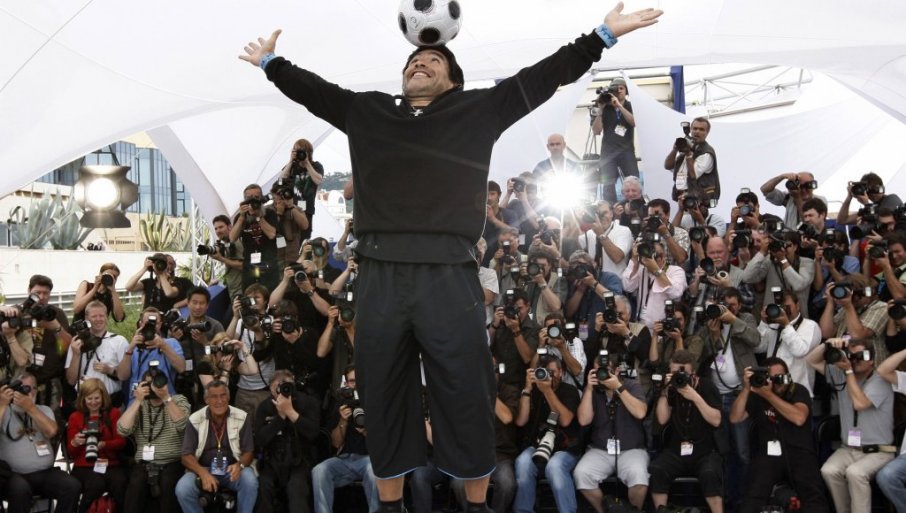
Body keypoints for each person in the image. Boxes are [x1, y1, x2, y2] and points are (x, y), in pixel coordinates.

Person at [240, 7, 663, 512]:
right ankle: (391, 506)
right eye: (414, 60)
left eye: (434, 60)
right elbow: (315, 91)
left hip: (449, 273)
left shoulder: (476, 109)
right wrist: (271, 63)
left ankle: (476, 505)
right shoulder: (369, 110)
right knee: (383, 393)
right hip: (380, 273)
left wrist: (601, 36)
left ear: (454, 80)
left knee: (465, 390)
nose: (420, 62)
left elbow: (541, 78)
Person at [728, 359, 829, 513]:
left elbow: (799, 418)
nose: (776, 382)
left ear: (788, 376)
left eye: (779, 377)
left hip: (799, 452)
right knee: (752, 496)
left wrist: (768, 395)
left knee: (813, 497)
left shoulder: (798, 390)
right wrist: (747, 388)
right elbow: (735, 417)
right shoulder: (758, 392)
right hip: (768, 454)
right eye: (771, 378)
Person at [807, 337, 894, 513]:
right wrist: (829, 344)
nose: (855, 360)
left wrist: (848, 371)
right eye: (851, 356)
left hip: (879, 451)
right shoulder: (841, 374)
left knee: (855, 473)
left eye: (861, 356)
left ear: (872, 360)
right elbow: (811, 360)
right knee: (829, 470)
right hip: (848, 449)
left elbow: (860, 403)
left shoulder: (880, 380)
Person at [648, 350, 724, 513]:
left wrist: (695, 397)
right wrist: (665, 391)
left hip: (704, 451)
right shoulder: (670, 389)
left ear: (693, 373)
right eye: (674, 373)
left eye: (683, 373)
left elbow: (716, 420)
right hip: (676, 450)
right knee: (657, 469)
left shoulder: (707, 386)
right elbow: (662, 419)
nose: (679, 377)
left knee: (710, 473)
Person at [573, 352, 649, 512]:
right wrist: (588, 389)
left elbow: (640, 413)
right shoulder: (593, 390)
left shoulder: (631, 385)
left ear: (616, 371)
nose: (601, 375)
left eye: (605, 371)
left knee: (639, 478)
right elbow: (583, 420)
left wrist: (618, 387)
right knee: (581, 474)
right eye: (597, 371)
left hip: (631, 449)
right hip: (600, 449)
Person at [0, 372, 81, 513]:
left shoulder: (44, 410)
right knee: (20, 490)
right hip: (15, 474)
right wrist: (2, 404)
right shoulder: (5, 410)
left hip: (45, 472)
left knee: (72, 486)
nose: (30, 392)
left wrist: (30, 408)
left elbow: (51, 431)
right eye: (25, 388)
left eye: (34, 388)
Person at [176, 380, 258, 513]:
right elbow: (186, 456)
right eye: (214, 397)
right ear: (206, 400)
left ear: (229, 397)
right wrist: (202, 473)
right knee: (182, 489)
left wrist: (240, 465)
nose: (219, 401)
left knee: (250, 480)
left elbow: (249, 451)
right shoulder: (195, 419)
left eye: (223, 395)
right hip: (203, 469)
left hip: (231, 470)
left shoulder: (242, 417)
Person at [513, 356, 582, 513]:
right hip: (538, 445)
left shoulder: (569, 390)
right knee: (522, 463)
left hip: (565, 447)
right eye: (543, 372)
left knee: (555, 466)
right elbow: (521, 421)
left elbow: (565, 421)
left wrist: (548, 391)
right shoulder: (535, 390)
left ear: (561, 372)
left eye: (552, 372)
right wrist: (527, 390)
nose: (548, 376)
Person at [117, 369, 191, 513]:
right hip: (144, 463)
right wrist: (137, 401)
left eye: (156, 383)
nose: (153, 388)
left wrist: (166, 398)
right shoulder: (139, 405)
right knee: (136, 485)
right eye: (148, 384)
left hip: (171, 461)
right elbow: (122, 430)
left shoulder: (178, 400)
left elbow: (183, 425)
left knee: (168, 484)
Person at [312, 366, 380, 513]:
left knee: (373, 471)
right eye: (352, 381)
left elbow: (384, 444)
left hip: (369, 459)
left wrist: (366, 431)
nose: (356, 384)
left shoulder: (376, 402)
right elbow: (336, 443)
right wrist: (343, 421)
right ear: (347, 383)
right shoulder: (341, 404)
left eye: (359, 380)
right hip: (345, 459)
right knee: (319, 470)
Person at [254, 370, 321, 513]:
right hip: (272, 461)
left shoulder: (307, 402)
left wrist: (290, 412)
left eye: (286, 385)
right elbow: (260, 439)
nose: (282, 390)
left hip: (300, 460)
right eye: (278, 386)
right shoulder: (265, 407)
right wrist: (280, 418)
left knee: (296, 487)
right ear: (271, 388)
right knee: (263, 485)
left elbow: (313, 433)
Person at [67, 378, 128, 513]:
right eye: (89, 398)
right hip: (84, 466)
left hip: (110, 463)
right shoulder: (75, 417)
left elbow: (121, 442)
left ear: (103, 397)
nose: (93, 402)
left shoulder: (113, 413)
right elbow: (71, 452)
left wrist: (105, 444)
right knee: (96, 484)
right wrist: (75, 442)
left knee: (120, 482)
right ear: (83, 399)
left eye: (97, 398)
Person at [755, 290, 822, 396]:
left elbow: (800, 351)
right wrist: (763, 323)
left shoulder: (810, 326)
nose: (784, 311)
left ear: (798, 305)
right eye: (780, 307)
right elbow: (758, 348)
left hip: (798, 390)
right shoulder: (774, 326)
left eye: (787, 307)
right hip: (772, 388)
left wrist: (786, 325)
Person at [116, 307, 186, 406]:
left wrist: (163, 345)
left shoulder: (171, 343)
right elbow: (122, 376)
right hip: (137, 403)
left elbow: (181, 368)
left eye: (154, 323)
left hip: (164, 402)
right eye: (147, 323)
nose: (151, 326)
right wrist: (130, 349)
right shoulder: (132, 347)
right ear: (140, 324)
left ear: (160, 325)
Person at [64, 300, 129, 401]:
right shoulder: (76, 343)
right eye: (94, 316)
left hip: (111, 399)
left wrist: (110, 370)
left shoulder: (119, 341)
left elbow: (125, 376)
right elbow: (71, 380)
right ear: (86, 319)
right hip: (84, 401)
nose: (98, 319)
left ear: (107, 317)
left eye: (101, 316)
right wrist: (76, 354)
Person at [621, 239, 687, 331]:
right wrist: (634, 261)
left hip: (663, 328)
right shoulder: (641, 269)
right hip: (640, 326)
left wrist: (656, 270)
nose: (650, 259)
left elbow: (676, 293)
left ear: (663, 256)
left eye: (655, 256)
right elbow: (627, 287)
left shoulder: (675, 271)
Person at [592, 77, 638, 203]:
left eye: (621, 88)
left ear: (626, 91)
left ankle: (633, 208)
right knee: (608, 186)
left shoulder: (630, 106)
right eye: (616, 89)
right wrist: (600, 110)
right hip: (608, 153)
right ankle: (611, 210)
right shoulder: (605, 107)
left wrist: (619, 106)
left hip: (626, 151)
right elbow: (596, 131)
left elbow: (634, 122)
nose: (619, 91)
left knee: (633, 182)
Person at [231, 183, 281, 291]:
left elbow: (272, 234)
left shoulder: (269, 213)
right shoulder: (240, 217)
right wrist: (241, 217)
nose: (253, 201)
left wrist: (259, 216)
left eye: (256, 197)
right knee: (250, 293)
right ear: (244, 201)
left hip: (268, 262)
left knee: (269, 293)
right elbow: (232, 238)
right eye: (249, 198)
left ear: (261, 199)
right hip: (249, 264)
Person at [490, 289, 541, 389]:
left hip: (519, 385)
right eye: (512, 308)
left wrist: (515, 330)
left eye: (519, 308)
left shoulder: (535, 329)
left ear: (528, 306)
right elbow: (485, 347)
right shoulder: (499, 324)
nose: (515, 312)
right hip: (496, 382)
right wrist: (493, 326)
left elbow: (527, 358)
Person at [664, 117, 720, 202]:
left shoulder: (706, 152)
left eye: (701, 129)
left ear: (707, 132)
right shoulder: (687, 148)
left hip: (699, 199)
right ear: (690, 130)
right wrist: (675, 149)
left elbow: (692, 175)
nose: (697, 131)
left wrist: (688, 154)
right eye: (695, 128)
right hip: (682, 196)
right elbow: (668, 166)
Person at [279, 138, 324, 241]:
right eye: (295, 150)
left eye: (300, 151)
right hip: (290, 209)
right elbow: (280, 180)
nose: (298, 153)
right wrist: (290, 161)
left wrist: (307, 163)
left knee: (304, 238)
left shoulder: (316, 166)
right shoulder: (291, 166)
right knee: (288, 238)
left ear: (308, 152)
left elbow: (318, 180)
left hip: (307, 210)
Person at [578, 200, 633, 276]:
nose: (601, 217)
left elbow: (617, 258)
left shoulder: (623, 230)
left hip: (615, 281)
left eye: (604, 213)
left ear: (611, 214)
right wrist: (578, 219)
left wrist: (601, 234)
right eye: (597, 214)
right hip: (594, 280)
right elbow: (573, 244)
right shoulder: (590, 233)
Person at [270, 176, 311, 271]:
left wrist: (291, 207)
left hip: (293, 257)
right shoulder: (268, 210)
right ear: (273, 194)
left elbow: (305, 226)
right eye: (279, 194)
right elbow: (271, 232)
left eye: (285, 193)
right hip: (275, 259)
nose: (282, 197)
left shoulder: (296, 209)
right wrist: (279, 213)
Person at [759, 171, 824, 229]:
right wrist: (782, 177)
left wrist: (797, 198)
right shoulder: (789, 197)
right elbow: (765, 190)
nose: (804, 190)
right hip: (790, 237)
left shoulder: (820, 201)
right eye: (800, 186)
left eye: (808, 185)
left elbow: (808, 221)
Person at [837, 172, 904, 226]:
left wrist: (866, 204)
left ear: (881, 188)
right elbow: (842, 220)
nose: (873, 194)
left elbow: (881, 220)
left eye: (875, 189)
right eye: (869, 191)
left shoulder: (892, 199)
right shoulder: (871, 208)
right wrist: (849, 197)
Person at [210, 214, 246, 301]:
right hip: (234, 292)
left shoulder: (235, 242)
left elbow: (243, 266)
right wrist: (220, 281)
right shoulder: (227, 244)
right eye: (216, 228)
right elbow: (232, 270)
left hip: (241, 293)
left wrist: (221, 258)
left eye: (221, 227)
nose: (218, 231)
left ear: (230, 227)